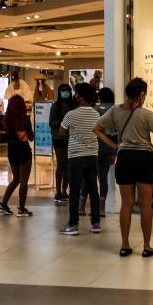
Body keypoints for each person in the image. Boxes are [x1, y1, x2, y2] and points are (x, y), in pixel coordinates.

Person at [95, 78, 153, 257]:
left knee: (126, 205)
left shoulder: (115, 110)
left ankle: (125, 245)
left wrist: (115, 146)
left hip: (125, 158)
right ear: (142, 94)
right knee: (145, 205)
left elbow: (97, 129)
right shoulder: (147, 114)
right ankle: (147, 246)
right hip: (143, 158)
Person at [58, 83, 102, 235]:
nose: (74, 96)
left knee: (75, 191)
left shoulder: (71, 114)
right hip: (92, 155)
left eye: (76, 93)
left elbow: (62, 131)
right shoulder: (96, 114)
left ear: (82, 96)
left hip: (76, 156)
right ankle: (95, 223)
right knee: (93, 190)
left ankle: (73, 224)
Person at [0, 95, 34, 217]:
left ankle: (3, 204)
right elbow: (31, 137)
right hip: (24, 151)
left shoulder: (6, 120)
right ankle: (21, 209)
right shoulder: (26, 119)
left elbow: (8, 136)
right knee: (24, 181)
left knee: (16, 179)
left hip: (12, 151)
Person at [50, 84, 76, 203]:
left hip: (71, 138)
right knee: (61, 164)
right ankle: (58, 192)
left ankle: (65, 191)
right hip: (58, 138)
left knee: (67, 165)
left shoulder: (73, 105)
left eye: (67, 90)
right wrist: (64, 119)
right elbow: (51, 123)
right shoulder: (56, 106)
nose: (65, 92)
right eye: (62, 91)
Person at [94, 87, 117, 217]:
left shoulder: (96, 109)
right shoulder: (115, 110)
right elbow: (117, 132)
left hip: (97, 144)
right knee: (104, 177)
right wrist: (115, 152)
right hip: (110, 145)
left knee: (91, 176)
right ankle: (102, 207)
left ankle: (83, 205)